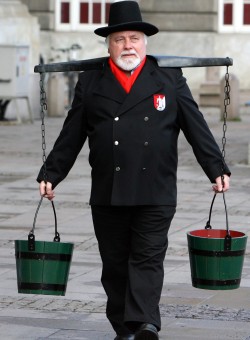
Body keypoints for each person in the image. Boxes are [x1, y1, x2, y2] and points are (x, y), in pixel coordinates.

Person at [37, 1, 230, 339]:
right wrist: (51, 173)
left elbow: (196, 126)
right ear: (108, 44)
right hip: (108, 190)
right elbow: (72, 134)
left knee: (147, 258)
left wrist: (216, 168)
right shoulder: (91, 82)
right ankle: (124, 326)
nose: (128, 45)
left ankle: (145, 324)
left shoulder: (168, 78)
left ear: (145, 42)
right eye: (120, 39)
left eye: (135, 38)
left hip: (155, 188)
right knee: (114, 265)